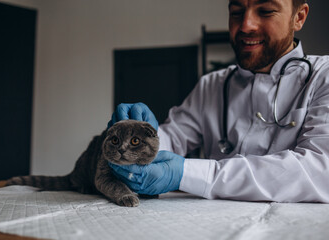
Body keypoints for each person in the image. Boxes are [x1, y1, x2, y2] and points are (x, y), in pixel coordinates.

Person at [108, 0, 329, 203]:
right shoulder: (211, 85)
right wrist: (137, 136)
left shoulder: (323, 76)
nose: (245, 25)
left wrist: (190, 174)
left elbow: (319, 170)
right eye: (236, 12)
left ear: (299, 17)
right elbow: (172, 138)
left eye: (265, 11)